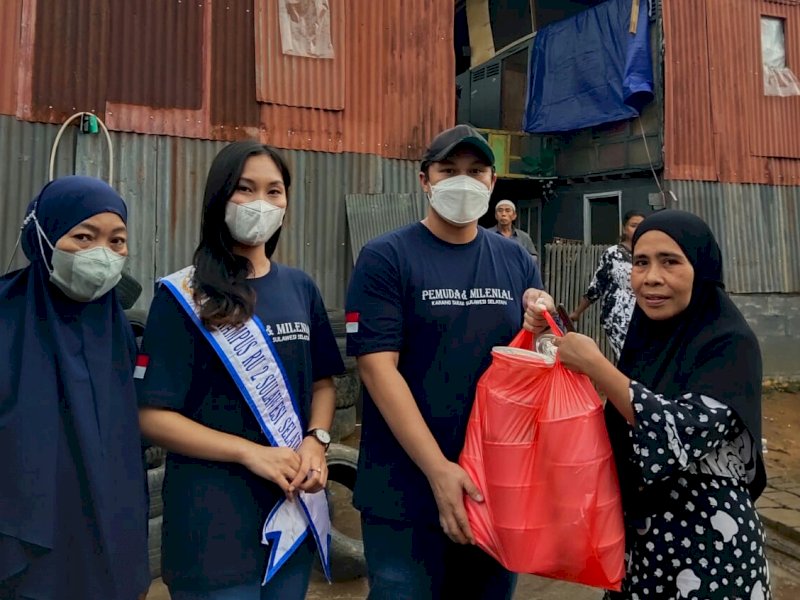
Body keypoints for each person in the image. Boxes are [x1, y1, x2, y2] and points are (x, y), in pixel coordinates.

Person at [345, 124, 550, 600]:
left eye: (475, 171)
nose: (463, 181)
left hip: (492, 488)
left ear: (493, 181)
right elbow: (377, 368)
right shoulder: (385, 258)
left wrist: (540, 331)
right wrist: (438, 470)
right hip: (404, 493)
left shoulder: (516, 260)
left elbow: (526, 367)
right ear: (425, 181)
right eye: (449, 170)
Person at [136, 141, 343, 600]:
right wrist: (250, 453)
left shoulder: (300, 287)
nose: (261, 204)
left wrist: (317, 441)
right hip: (213, 526)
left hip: (291, 516)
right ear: (219, 198)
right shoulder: (182, 297)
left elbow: (323, 382)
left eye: (274, 191)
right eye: (245, 190)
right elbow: (151, 416)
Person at [541, 210, 770, 599]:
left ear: (702, 268)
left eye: (670, 262)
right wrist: (550, 336)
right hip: (640, 552)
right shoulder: (646, 340)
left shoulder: (731, 345)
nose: (651, 278)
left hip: (709, 551)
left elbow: (680, 430)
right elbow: (616, 427)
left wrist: (597, 367)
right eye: (641, 262)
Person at [0, 176, 150, 600]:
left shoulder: (119, 328)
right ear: (43, 237)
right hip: (27, 535)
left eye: (117, 241)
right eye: (83, 236)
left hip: (107, 526)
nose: (102, 254)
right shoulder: (7, 318)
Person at [570, 210, 646, 358]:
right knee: (627, 358)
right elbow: (596, 287)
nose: (638, 229)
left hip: (643, 313)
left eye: (642, 226)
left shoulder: (648, 253)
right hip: (618, 314)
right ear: (624, 228)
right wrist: (577, 312)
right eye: (634, 225)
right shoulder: (613, 254)